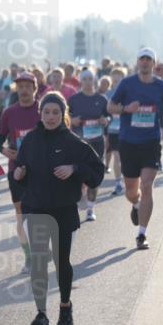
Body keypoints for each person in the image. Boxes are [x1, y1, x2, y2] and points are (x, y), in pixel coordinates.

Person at [14, 93, 104, 325]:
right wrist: (19, 175)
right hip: (36, 209)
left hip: (64, 210)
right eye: (46, 112)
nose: (50, 117)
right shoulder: (31, 140)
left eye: (55, 112)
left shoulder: (73, 142)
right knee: (39, 262)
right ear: (40, 114)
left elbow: (97, 171)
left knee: (61, 261)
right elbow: (20, 170)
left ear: (62, 114)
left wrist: (74, 168)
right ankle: (41, 313)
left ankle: (65, 306)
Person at [107, 48, 163, 250]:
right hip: (128, 142)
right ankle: (135, 205)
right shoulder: (127, 84)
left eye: (148, 60)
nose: (145, 63)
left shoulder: (162, 85)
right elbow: (111, 106)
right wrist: (125, 109)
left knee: (146, 185)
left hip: (150, 142)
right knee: (131, 192)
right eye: (142, 59)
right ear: (137, 63)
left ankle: (142, 234)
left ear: (153, 64)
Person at [0, 72, 40, 272]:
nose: (23, 90)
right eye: (20, 86)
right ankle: (29, 256)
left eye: (27, 86)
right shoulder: (9, 112)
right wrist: (5, 151)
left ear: (34, 88)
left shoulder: (43, 110)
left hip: (41, 169)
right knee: (21, 213)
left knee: (41, 212)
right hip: (16, 169)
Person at [67, 70, 110, 222]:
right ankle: (80, 197)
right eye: (85, 79)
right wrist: (72, 120)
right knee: (78, 175)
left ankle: (91, 208)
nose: (87, 81)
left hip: (97, 142)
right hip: (79, 143)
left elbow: (108, 116)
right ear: (80, 81)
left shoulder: (102, 99)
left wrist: (105, 120)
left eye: (90, 79)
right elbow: (65, 117)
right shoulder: (73, 100)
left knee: (94, 175)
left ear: (94, 81)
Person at [105, 67, 127, 195]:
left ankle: (127, 179)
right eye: (115, 76)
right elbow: (103, 111)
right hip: (113, 129)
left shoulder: (128, 92)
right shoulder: (107, 94)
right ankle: (118, 182)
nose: (117, 78)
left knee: (126, 157)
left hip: (127, 129)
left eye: (119, 76)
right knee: (116, 156)